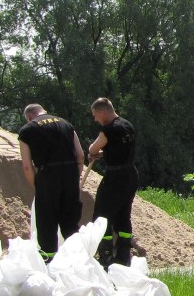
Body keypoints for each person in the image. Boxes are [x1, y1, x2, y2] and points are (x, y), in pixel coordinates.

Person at [18, 103, 84, 262]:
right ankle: (77, 261)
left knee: (46, 223)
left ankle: (49, 262)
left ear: (29, 116)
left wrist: (38, 186)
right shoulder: (66, 124)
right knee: (70, 222)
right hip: (70, 174)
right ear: (43, 111)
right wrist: (75, 177)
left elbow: (27, 166)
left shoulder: (27, 130)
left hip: (47, 175)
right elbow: (80, 155)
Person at [87, 98, 146, 268]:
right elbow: (119, 149)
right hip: (130, 174)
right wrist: (105, 153)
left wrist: (96, 152)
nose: (95, 119)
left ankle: (105, 255)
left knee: (101, 216)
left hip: (115, 176)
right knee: (123, 215)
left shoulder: (109, 129)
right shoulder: (127, 125)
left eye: (95, 115)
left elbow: (92, 149)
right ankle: (123, 255)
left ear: (103, 112)